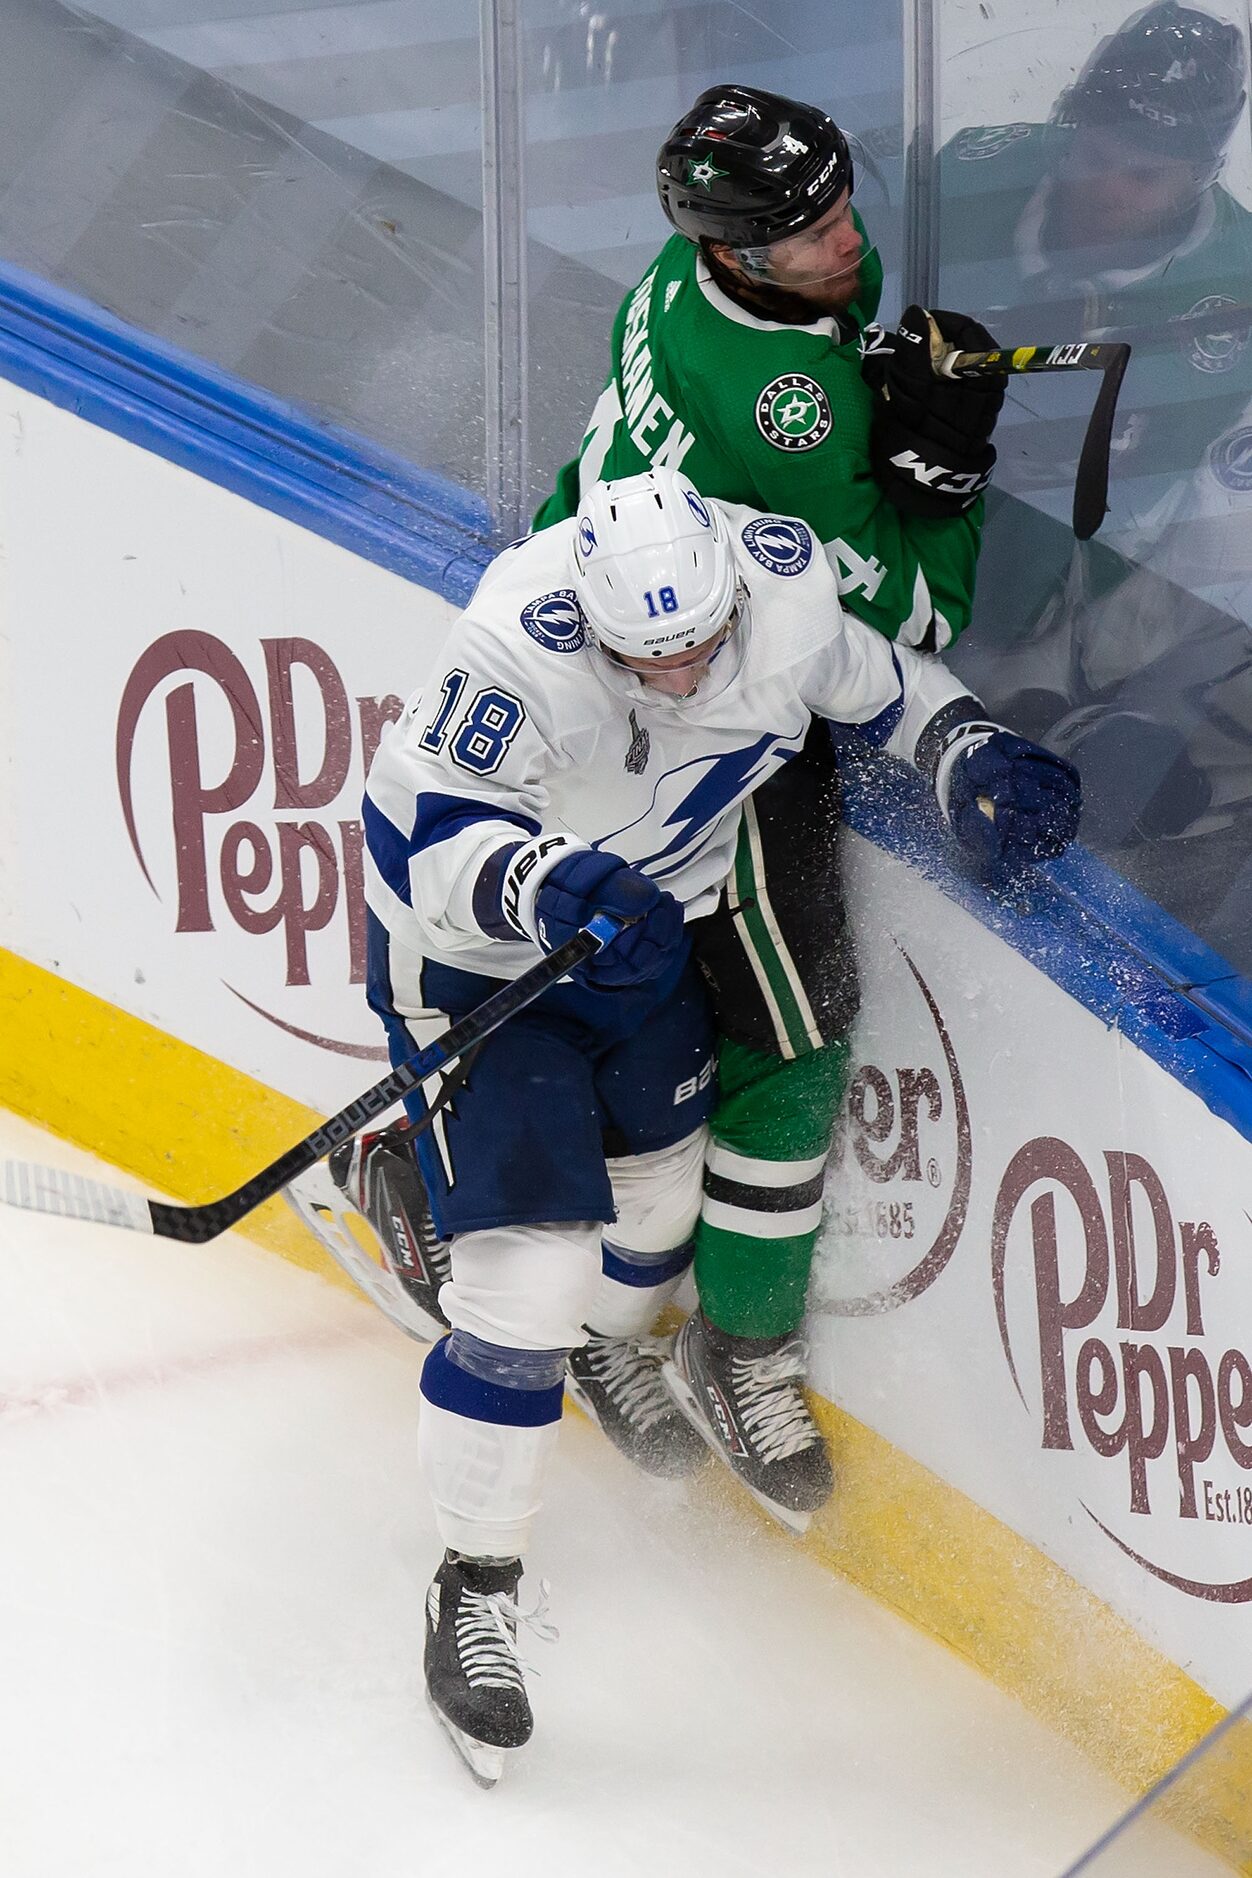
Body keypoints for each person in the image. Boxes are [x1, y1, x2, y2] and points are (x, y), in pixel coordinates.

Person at [334, 83, 1008, 1505]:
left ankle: (478, 1212)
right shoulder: (785, 405)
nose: (844, 239)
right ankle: (736, 1345)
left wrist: (867, 422)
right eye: (807, 230)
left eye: (838, 205)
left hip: (630, 665)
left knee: (648, 1053)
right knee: (796, 1030)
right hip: (699, 708)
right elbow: (914, 626)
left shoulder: (691, 282)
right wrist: (943, 471)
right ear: (740, 250)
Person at [362, 466, 1080, 1779]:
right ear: (595, 623)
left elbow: (882, 685)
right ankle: (475, 1589)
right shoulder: (517, 641)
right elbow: (421, 849)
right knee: (530, 1279)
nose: (685, 675)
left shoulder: (780, 588)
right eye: (652, 656)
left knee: (649, 1224)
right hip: (485, 970)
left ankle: (427, 1192)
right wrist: (546, 882)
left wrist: (970, 745)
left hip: (640, 952)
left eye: (700, 640)